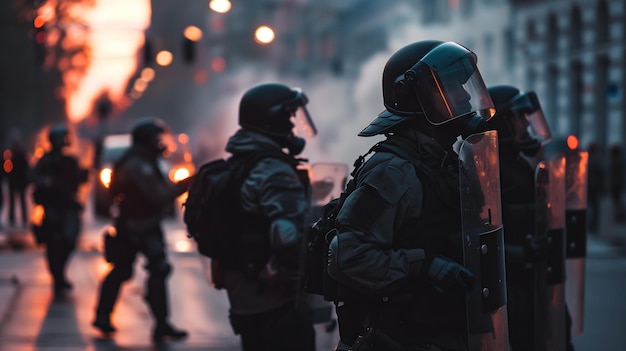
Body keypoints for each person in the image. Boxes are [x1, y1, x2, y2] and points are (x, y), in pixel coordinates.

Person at [326, 40, 500, 350]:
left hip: (444, 332)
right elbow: (348, 256)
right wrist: (426, 264)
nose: (463, 96)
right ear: (419, 97)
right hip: (398, 337)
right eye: (451, 87)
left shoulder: (443, 162)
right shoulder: (394, 171)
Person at [220, 83, 316, 351]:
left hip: (246, 296)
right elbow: (288, 236)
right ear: (271, 120)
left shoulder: (242, 162)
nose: (292, 125)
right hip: (276, 301)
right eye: (287, 116)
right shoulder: (272, 170)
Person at [485, 85, 578, 351]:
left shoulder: (518, 164)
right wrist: (522, 252)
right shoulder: (488, 171)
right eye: (519, 117)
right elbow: (479, 238)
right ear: (502, 123)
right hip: (514, 291)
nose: (527, 125)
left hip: (532, 283)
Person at [92, 117, 191, 343]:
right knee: (129, 270)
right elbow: (159, 195)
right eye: (155, 139)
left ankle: (161, 323)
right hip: (136, 227)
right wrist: (187, 185)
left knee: (155, 270)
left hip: (144, 225)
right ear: (146, 140)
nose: (160, 143)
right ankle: (103, 316)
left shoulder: (146, 160)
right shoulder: (137, 164)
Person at [30, 124, 89, 295]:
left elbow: (79, 178)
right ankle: (57, 276)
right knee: (53, 243)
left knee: (69, 241)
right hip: (53, 207)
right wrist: (47, 182)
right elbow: (34, 176)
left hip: (67, 206)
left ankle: (60, 273)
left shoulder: (69, 161)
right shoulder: (46, 160)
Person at [7, 139, 30, 228]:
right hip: (14, 181)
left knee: (21, 201)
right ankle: (12, 220)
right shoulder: (10, 156)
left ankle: (23, 220)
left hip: (19, 181)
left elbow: (26, 169)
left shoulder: (19, 156)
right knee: (14, 202)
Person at [586, 141, 604, 233]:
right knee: (594, 206)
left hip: (589, 186)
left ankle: (591, 224)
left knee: (591, 206)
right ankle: (592, 225)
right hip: (593, 186)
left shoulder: (587, 160)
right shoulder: (596, 160)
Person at [608, 144, 624, 221]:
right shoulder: (619, 162)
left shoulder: (615, 162)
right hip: (617, 184)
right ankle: (619, 215)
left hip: (616, 184)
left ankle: (619, 215)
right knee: (617, 201)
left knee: (617, 201)